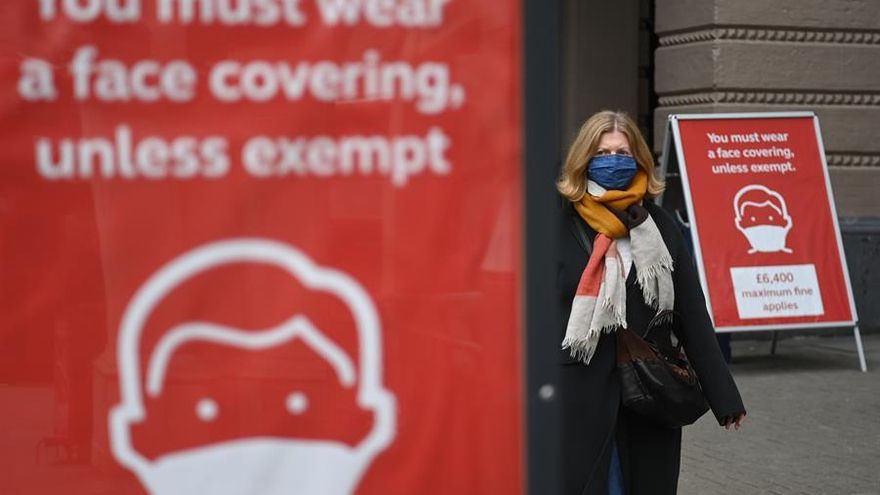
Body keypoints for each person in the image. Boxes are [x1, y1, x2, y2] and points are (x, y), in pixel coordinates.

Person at [555, 110, 746, 495]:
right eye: (602, 153)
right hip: (578, 391)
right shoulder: (556, 224)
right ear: (583, 160)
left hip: (651, 390)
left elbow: (691, 313)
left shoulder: (659, 226)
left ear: (640, 159)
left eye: (622, 153)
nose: (613, 161)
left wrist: (724, 396)